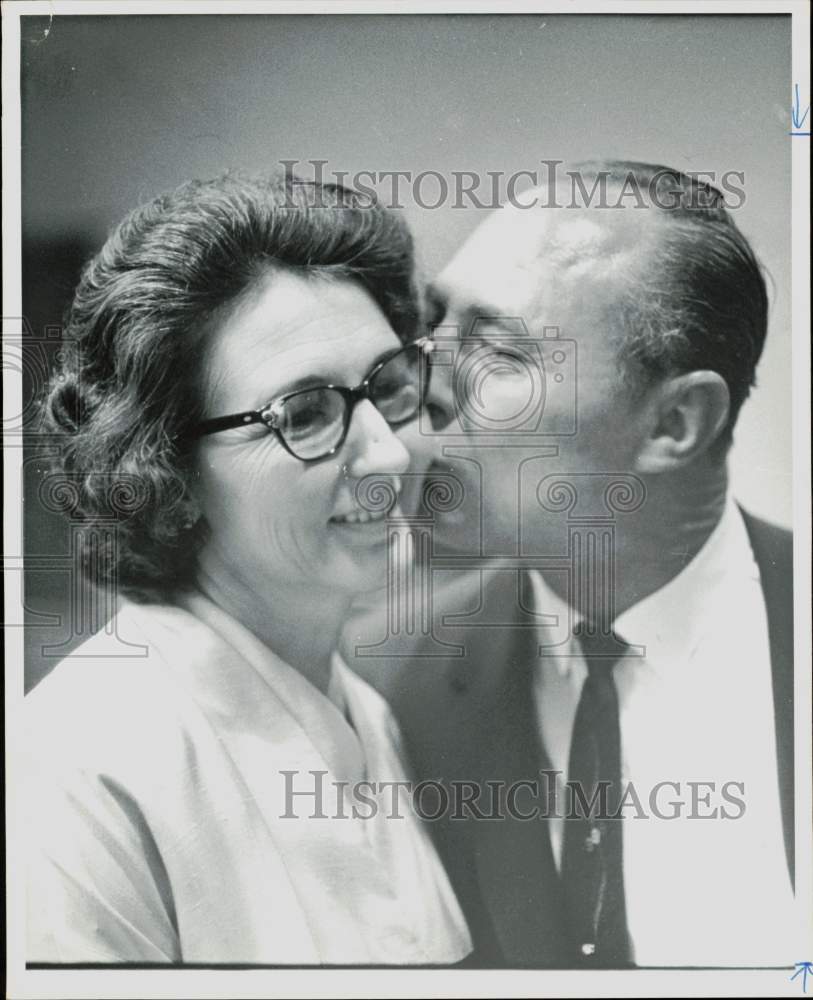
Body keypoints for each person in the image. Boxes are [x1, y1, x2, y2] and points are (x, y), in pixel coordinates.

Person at [345, 162, 798, 967]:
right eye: (432, 325)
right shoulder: (385, 684)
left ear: (673, 423)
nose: (420, 386)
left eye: (496, 353)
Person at [25, 173, 471, 965]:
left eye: (387, 386)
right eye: (303, 414)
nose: (390, 455)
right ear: (167, 470)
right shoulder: (76, 768)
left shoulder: (370, 718)